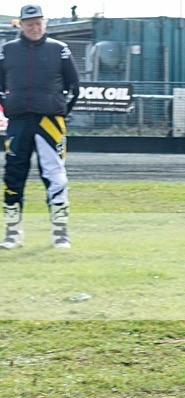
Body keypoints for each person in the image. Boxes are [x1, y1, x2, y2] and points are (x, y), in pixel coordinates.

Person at [0, 4, 80, 249]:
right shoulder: (6, 50)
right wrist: (8, 105)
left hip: (50, 121)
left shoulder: (60, 49)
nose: (35, 28)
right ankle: (12, 234)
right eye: (30, 23)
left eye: (39, 23)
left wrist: (60, 110)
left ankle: (60, 234)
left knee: (56, 177)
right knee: (13, 176)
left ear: (45, 23)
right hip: (18, 122)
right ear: (21, 25)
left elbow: (74, 87)